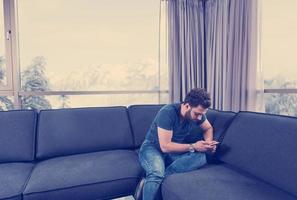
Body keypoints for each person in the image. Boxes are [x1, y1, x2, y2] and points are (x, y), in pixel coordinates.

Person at [136, 88, 218, 200]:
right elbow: (165, 147)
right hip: (153, 148)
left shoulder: (199, 114)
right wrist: (194, 146)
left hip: (175, 150)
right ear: (187, 106)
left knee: (202, 157)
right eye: (197, 114)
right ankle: (156, 177)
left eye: (202, 114)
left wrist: (207, 144)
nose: (199, 118)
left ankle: (154, 179)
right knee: (156, 173)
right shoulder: (167, 112)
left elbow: (208, 128)